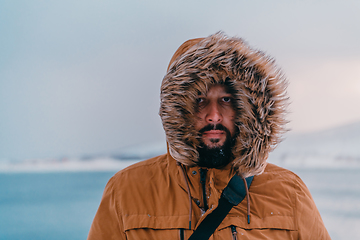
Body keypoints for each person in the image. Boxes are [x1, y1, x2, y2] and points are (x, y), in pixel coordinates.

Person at [87, 32, 331, 240]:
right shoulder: (126, 191)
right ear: (178, 110)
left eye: (225, 100)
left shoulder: (289, 192)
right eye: (199, 101)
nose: (213, 116)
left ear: (246, 109)